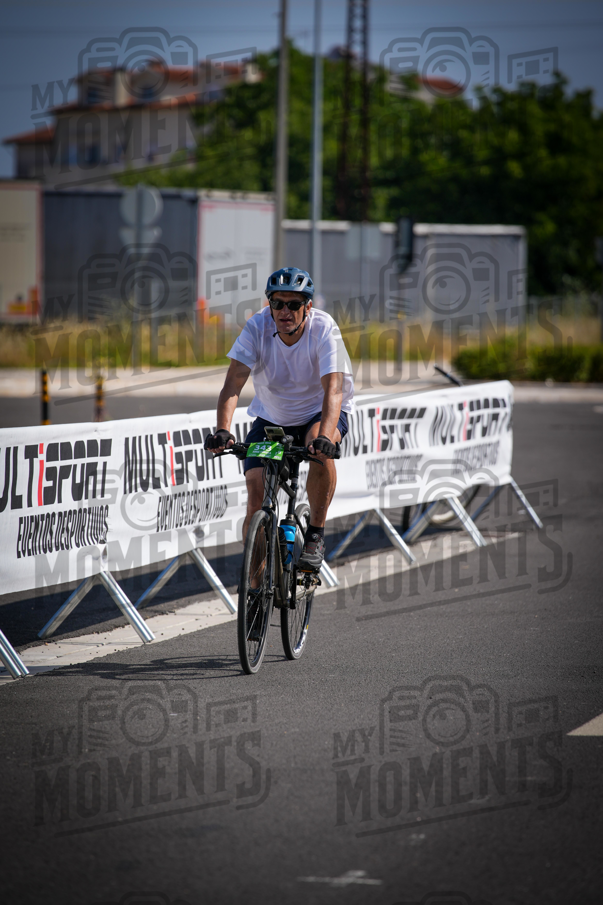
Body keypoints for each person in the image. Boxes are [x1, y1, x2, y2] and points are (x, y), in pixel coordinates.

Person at [204, 266, 354, 572]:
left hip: (320, 412)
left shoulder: (324, 329)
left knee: (317, 447)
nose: (285, 311)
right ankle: (256, 594)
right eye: (278, 303)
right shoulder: (257, 327)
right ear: (269, 304)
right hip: (273, 417)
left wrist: (325, 436)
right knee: (256, 493)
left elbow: (334, 390)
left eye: (294, 304)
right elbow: (233, 383)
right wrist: (223, 431)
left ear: (308, 307)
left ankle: (315, 533)